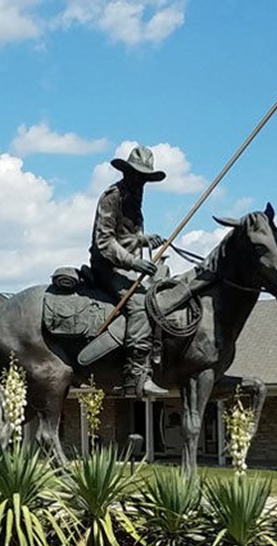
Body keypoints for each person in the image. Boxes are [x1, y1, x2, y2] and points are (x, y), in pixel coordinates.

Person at [90, 145, 169, 399]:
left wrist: (145, 240)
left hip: (129, 265)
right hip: (108, 267)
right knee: (138, 302)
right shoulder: (112, 196)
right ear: (127, 172)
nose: (140, 181)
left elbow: (127, 236)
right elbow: (105, 242)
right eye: (137, 175)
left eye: (145, 177)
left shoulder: (136, 198)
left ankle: (158, 352)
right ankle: (135, 375)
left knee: (165, 285)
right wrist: (134, 264)